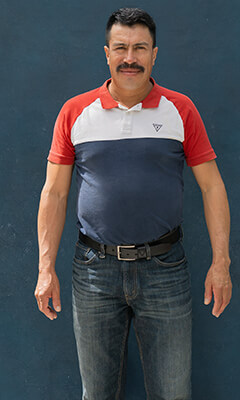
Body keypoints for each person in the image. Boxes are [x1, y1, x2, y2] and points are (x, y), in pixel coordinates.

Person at [34, 7, 232, 400]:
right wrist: (45, 268)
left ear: (154, 54)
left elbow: (212, 187)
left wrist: (221, 262)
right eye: (121, 47)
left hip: (165, 269)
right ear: (106, 52)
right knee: (97, 393)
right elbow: (54, 193)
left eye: (140, 48)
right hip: (93, 272)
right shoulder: (76, 112)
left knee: (173, 393)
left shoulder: (181, 110)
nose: (130, 58)